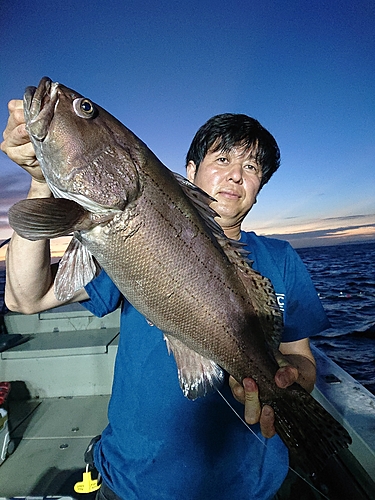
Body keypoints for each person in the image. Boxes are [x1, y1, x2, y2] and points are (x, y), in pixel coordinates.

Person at [1, 102, 329, 500]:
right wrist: (39, 180)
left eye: (252, 169)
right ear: (190, 171)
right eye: (222, 158)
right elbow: (25, 298)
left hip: (252, 489)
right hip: (134, 483)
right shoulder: (120, 234)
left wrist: (287, 376)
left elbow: (303, 361)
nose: (235, 176)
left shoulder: (282, 260)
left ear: (259, 190)